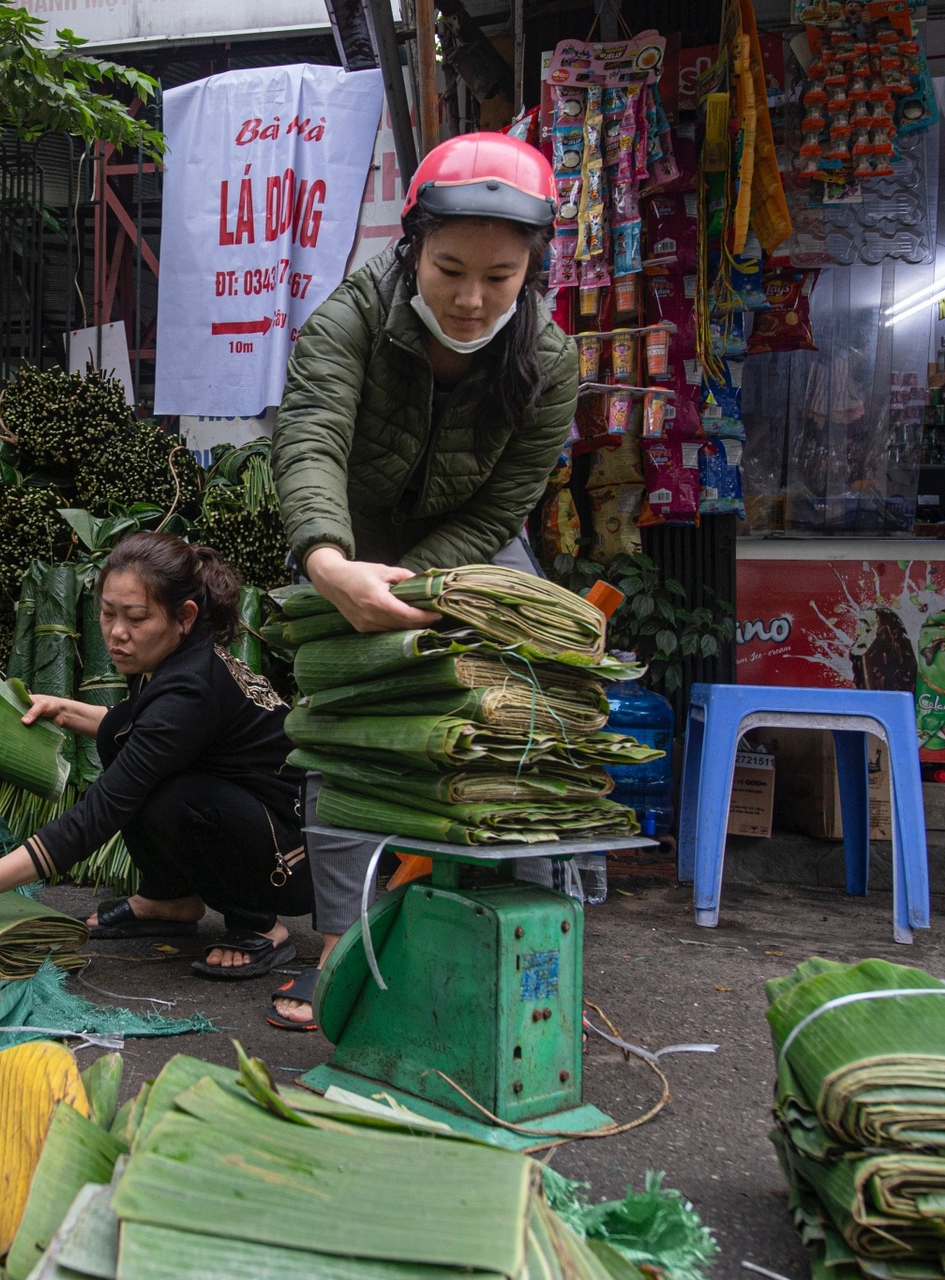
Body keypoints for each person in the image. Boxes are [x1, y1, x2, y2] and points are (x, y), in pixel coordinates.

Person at [266, 131, 576, 1030]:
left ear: (530, 271)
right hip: (345, 541)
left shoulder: (551, 363)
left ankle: (517, 928)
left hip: (469, 547)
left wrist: (426, 590)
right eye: (449, 269)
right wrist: (327, 562)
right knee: (344, 721)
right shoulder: (349, 318)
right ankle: (343, 943)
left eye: (500, 277)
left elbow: (498, 511)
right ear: (411, 250)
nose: (473, 299)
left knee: (526, 700)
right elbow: (311, 439)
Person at [0, 532, 310, 980]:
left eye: (136, 617)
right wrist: (63, 709)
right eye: (107, 613)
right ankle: (170, 898)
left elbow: (102, 811)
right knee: (119, 740)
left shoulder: (190, 689)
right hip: (258, 825)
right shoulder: (172, 658)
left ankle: (259, 924)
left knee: (178, 796)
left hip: (294, 860)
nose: (117, 634)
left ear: (185, 616)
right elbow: (140, 728)